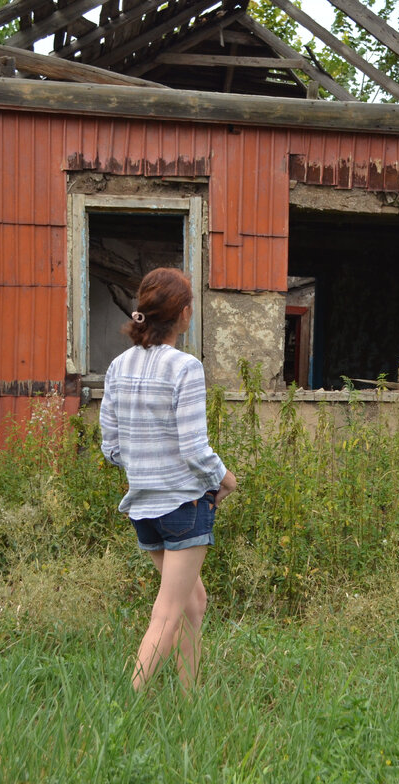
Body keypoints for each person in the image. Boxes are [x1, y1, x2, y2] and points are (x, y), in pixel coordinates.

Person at [99, 267, 238, 692]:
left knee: (195, 602)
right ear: (182, 313)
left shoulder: (118, 366)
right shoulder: (185, 367)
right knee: (167, 612)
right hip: (183, 507)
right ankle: (123, 708)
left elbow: (111, 447)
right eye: (190, 305)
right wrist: (226, 478)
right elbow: (196, 449)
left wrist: (147, 467)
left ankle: (189, 699)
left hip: (143, 508)